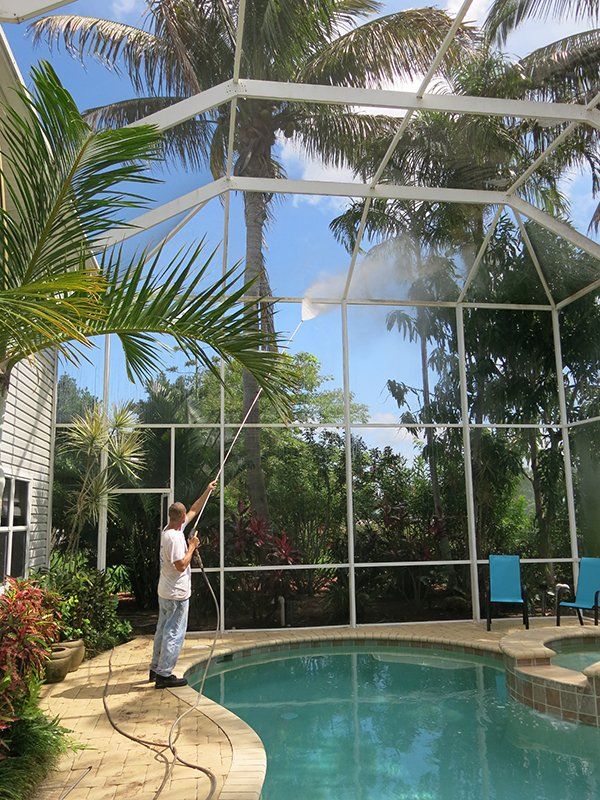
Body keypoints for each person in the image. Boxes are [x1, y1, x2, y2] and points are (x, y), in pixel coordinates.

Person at [150, 481, 217, 688]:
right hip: (176, 595)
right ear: (180, 518)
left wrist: (207, 489)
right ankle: (164, 675)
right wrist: (192, 546)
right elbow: (181, 565)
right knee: (174, 633)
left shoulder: (171, 529)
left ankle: (155, 668)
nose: (187, 516)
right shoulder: (174, 538)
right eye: (184, 516)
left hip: (165, 592)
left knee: (162, 630)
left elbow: (195, 509)